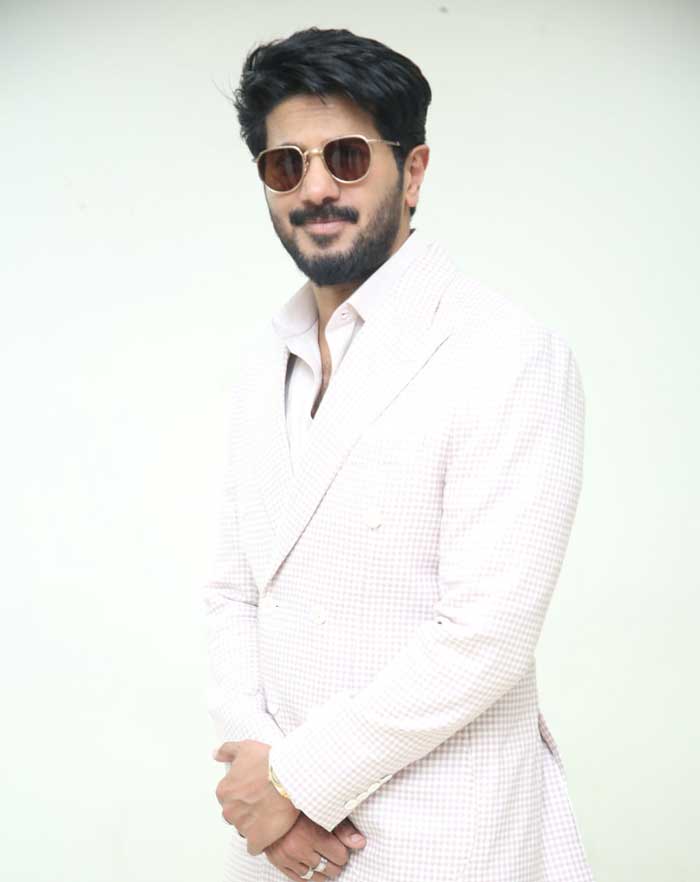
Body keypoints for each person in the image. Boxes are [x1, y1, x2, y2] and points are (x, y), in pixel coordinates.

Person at [203, 25, 595, 882]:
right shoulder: (263, 360)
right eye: (285, 165)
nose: (315, 188)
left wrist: (297, 781)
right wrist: (262, 788)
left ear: (412, 172)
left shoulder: (507, 352)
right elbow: (234, 594)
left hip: (444, 833)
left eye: (346, 158)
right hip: (281, 846)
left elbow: (485, 636)